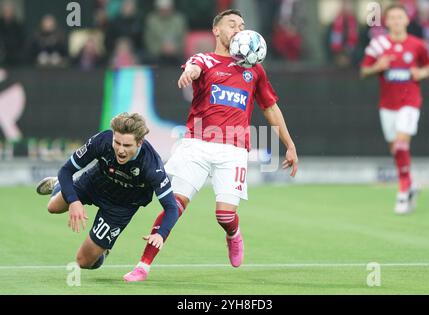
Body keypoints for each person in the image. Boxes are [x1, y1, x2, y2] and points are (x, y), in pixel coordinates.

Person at [123, 9, 298, 282]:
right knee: (174, 206)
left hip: (233, 149)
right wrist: (189, 73)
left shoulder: (254, 69)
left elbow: (270, 107)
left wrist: (289, 144)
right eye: (231, 25)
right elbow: (194, 67)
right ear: (216, 30)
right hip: (197, 144)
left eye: (241, 25)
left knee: (224, 216)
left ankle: (233, 234)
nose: (238, 29)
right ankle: (143, 265)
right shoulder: (203, 59)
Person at [36, 113, 179, 270]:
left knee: (83, 262)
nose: (120, 150)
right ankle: (58, 185)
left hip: (121, 206)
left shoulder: (152, 166)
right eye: (117, 143)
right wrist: (74, 201)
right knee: (52, 208)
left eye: (127, 146)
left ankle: (103, 250)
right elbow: (65, 170)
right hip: (95, 182)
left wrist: (160, 234)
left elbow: (171, 207)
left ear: (139, 143)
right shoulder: (102, 141)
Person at [360, 4, 429, 214]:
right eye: (391, 18)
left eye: (399, 17)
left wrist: (422, 73)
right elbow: (364, 71)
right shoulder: (378, 45)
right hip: (387, 106)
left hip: (410, 102)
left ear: (407, 20)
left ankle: (402, 193)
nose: (396, 21)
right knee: (397, 150)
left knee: (401, 145)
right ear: (387, 21)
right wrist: (378, 66)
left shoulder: (418, 45)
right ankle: (410, 184)